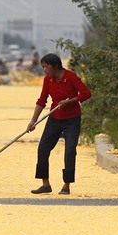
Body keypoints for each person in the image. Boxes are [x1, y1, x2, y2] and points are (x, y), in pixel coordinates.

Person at [26, 53, 92, 195]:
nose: (44, 69)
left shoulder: (71, 77)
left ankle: (66, 185)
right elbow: (41, 101)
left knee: (69, 152)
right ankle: (45, 184)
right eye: (42, 67)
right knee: (43, 149)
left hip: (72, 120)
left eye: (46, 66)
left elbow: (86, 93)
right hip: (54, 119)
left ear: (55, 66)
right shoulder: (47, 80)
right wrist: (33, 121)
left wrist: (70, 101)